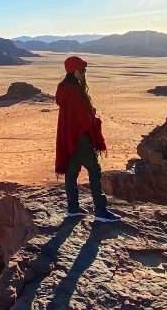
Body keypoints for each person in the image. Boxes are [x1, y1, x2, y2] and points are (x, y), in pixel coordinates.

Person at [54, 55, 121, 222]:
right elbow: (83, 117)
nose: (84, 73)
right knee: (95, 170)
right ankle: (100, 211)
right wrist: (93, 118)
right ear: (74, 71)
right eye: (82, 70)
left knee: (72, 172)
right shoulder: (75, 90)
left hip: (69, 137)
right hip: (80, 137)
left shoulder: (64, 87)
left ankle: (73, 208)